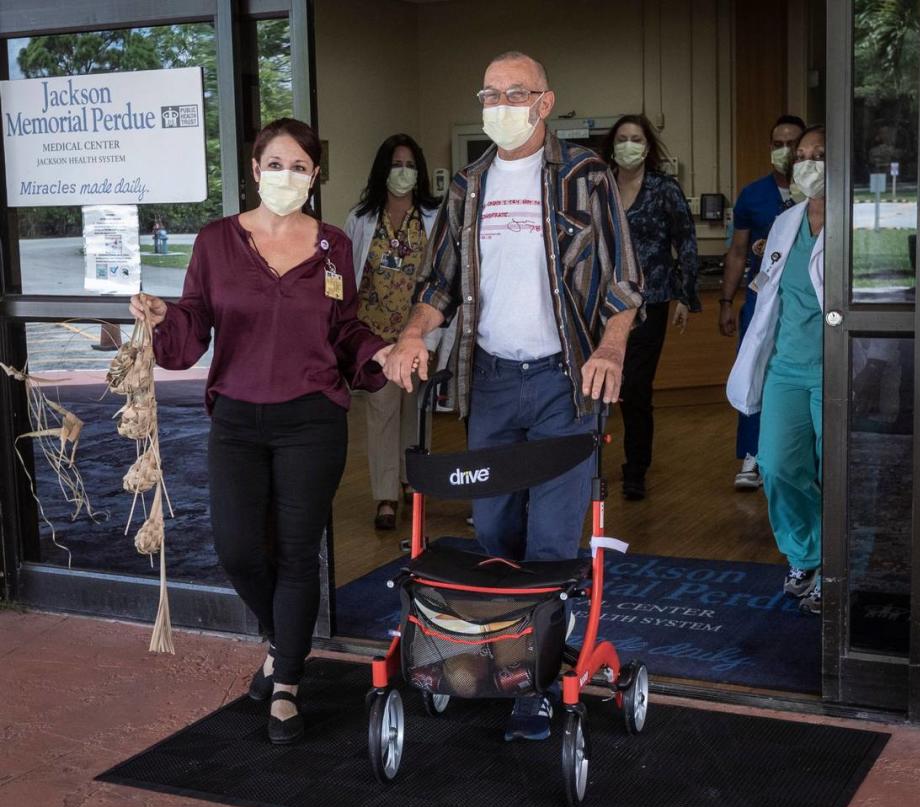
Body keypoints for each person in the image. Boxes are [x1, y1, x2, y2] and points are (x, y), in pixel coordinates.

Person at [383, 51, 642, 740]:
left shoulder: (584, 176)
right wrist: (413, 336)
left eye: (513, 91)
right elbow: (438, 285)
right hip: (493, 381)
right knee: (494, 532)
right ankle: (501, 657)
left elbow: (624, 279)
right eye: (489, 92)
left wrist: (612, 346)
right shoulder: (469, 186)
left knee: (556, 541)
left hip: (565, 380)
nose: (498, 102)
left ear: (544, 101)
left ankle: (542, 680)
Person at [129, 118, 391, 744]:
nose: (287, 176)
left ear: (316, 175)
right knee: (239, 548)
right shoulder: (217, 241)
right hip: (238, 417)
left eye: (300, 166)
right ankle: (281, 641)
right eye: (276, 164)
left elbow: (345, 328)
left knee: (299, 552)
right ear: (254, 169)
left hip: (312, 417)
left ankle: (286, 684)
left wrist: (378, 354)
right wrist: (168, 314)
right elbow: (193, 323)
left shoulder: (333, 247)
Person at [727, 124, 826, 616]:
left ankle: (839, 567)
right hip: (787, 366)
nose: (806, 162)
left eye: (819, 154)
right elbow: (768, 292)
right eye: (801, 154)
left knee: (841, 474)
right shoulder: (786, 223)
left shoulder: (857, 224)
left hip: (838, 369)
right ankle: (806, 556)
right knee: (779, 466)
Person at [345, 134, 442, 531]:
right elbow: (347, 273)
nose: (402, 173)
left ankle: (410, 480)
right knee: (382, 411)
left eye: (409, 165)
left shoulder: (435, 216)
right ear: (382, 169)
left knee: (415, 411)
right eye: (395, 164)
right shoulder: (362, 218)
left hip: (417, 331)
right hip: (376, 335)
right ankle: (385, 496)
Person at [601, 114, 699, 500]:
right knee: (597, 385)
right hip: (602, 303)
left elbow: (686, 242)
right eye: (622, 138)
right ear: (612, 145)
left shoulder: (663, 189)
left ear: (648, 147)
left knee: (636, 388)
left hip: (651, 299)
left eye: (636, 139)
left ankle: (635, 468)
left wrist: (686, 297)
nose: (629, 145)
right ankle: (586, 464)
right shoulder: (599, 185)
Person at [719, 114, 806, 490]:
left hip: (804, 302)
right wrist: (726, 300)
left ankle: (801, 456)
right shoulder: (753, 194)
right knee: (754, 369)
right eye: (777, 144)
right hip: (761, 298)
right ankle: (753, 455)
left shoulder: (822, 195)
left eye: (793, 144)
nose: (784, 151)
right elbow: (738, 251)